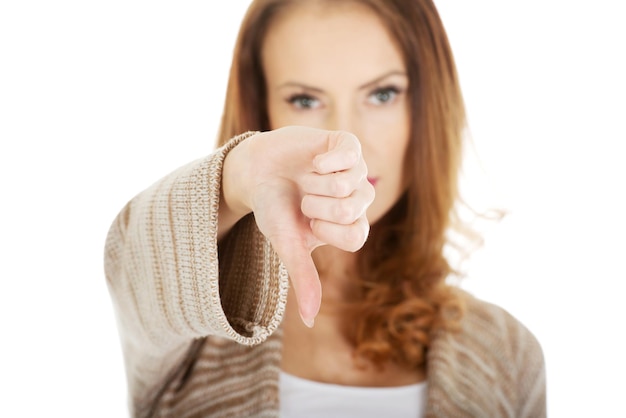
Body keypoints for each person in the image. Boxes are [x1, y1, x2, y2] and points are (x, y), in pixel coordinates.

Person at [104, 0, 546, 416]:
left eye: (383, 94)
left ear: (426, 105)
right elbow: (134, 259)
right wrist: (237, 173)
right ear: (263, 109)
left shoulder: (509, 355)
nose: (347, 141)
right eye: (305, 100)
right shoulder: (198, 319)